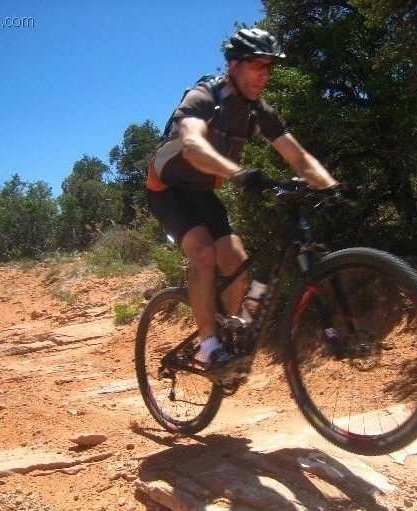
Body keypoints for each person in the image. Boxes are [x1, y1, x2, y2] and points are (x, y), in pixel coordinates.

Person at [146, 28, 340, 376]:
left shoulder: (258, 112)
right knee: (205, 254)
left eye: (270, 67)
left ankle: (227, 331)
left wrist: (334, 188)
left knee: (237, 263)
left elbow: (300, 158)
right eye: (257, 64)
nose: (265, 73)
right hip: (167, 188)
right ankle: (208, 347)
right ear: (233, 64)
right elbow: (192, 145)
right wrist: (238, 174)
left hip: (201, 192)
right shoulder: (204, 97)